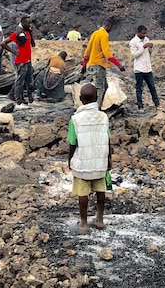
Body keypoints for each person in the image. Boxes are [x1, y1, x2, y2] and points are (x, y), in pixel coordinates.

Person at [67, 83, 111, 233]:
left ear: (80, 99)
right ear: (97, 98)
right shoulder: (104, 117)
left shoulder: (75, 119)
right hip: (100, 161)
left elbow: (73, 143)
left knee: (83, 193)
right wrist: (109, 159)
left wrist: (70, 159)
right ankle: (99, 219)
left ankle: (84, 223)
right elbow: (108, 139)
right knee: (101, 191)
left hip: (82, 162)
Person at [81, 19, 125, 109]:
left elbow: (87, 51)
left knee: (104, 86)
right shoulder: (104, 34)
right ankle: (96, 108)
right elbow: (107, 52)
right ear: (108, 26)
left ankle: (97, 106)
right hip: (98, 65)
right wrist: (118, 64)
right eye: (111, 28)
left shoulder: (95, 33)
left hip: (93, 64)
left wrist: (84, 64)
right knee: (100, 88)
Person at [4, 16, 36, 106]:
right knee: (19, 82)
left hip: (27, 61)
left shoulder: (27, 32)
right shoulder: (17, 34)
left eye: (30, 23)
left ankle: (26, 97)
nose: (30, 25)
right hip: (21, 61)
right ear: (22, 23)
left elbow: (30, 44)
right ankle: (18, 100)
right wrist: (14, 51)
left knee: (29, 81)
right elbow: (3, 43)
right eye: (28, 23)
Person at [129, 25, 160, 110]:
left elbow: (149, 52)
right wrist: (143, 47)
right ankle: (140, 106)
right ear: (138, 32)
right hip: (139, 69)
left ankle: (157, 103)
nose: (145, 35)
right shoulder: (133, 42)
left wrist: (150, 47)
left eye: (146, 33)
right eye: (143, 33)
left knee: (152, 87)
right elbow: (134, 55)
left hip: (147, 68)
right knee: (139, 88)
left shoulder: (146, 39)